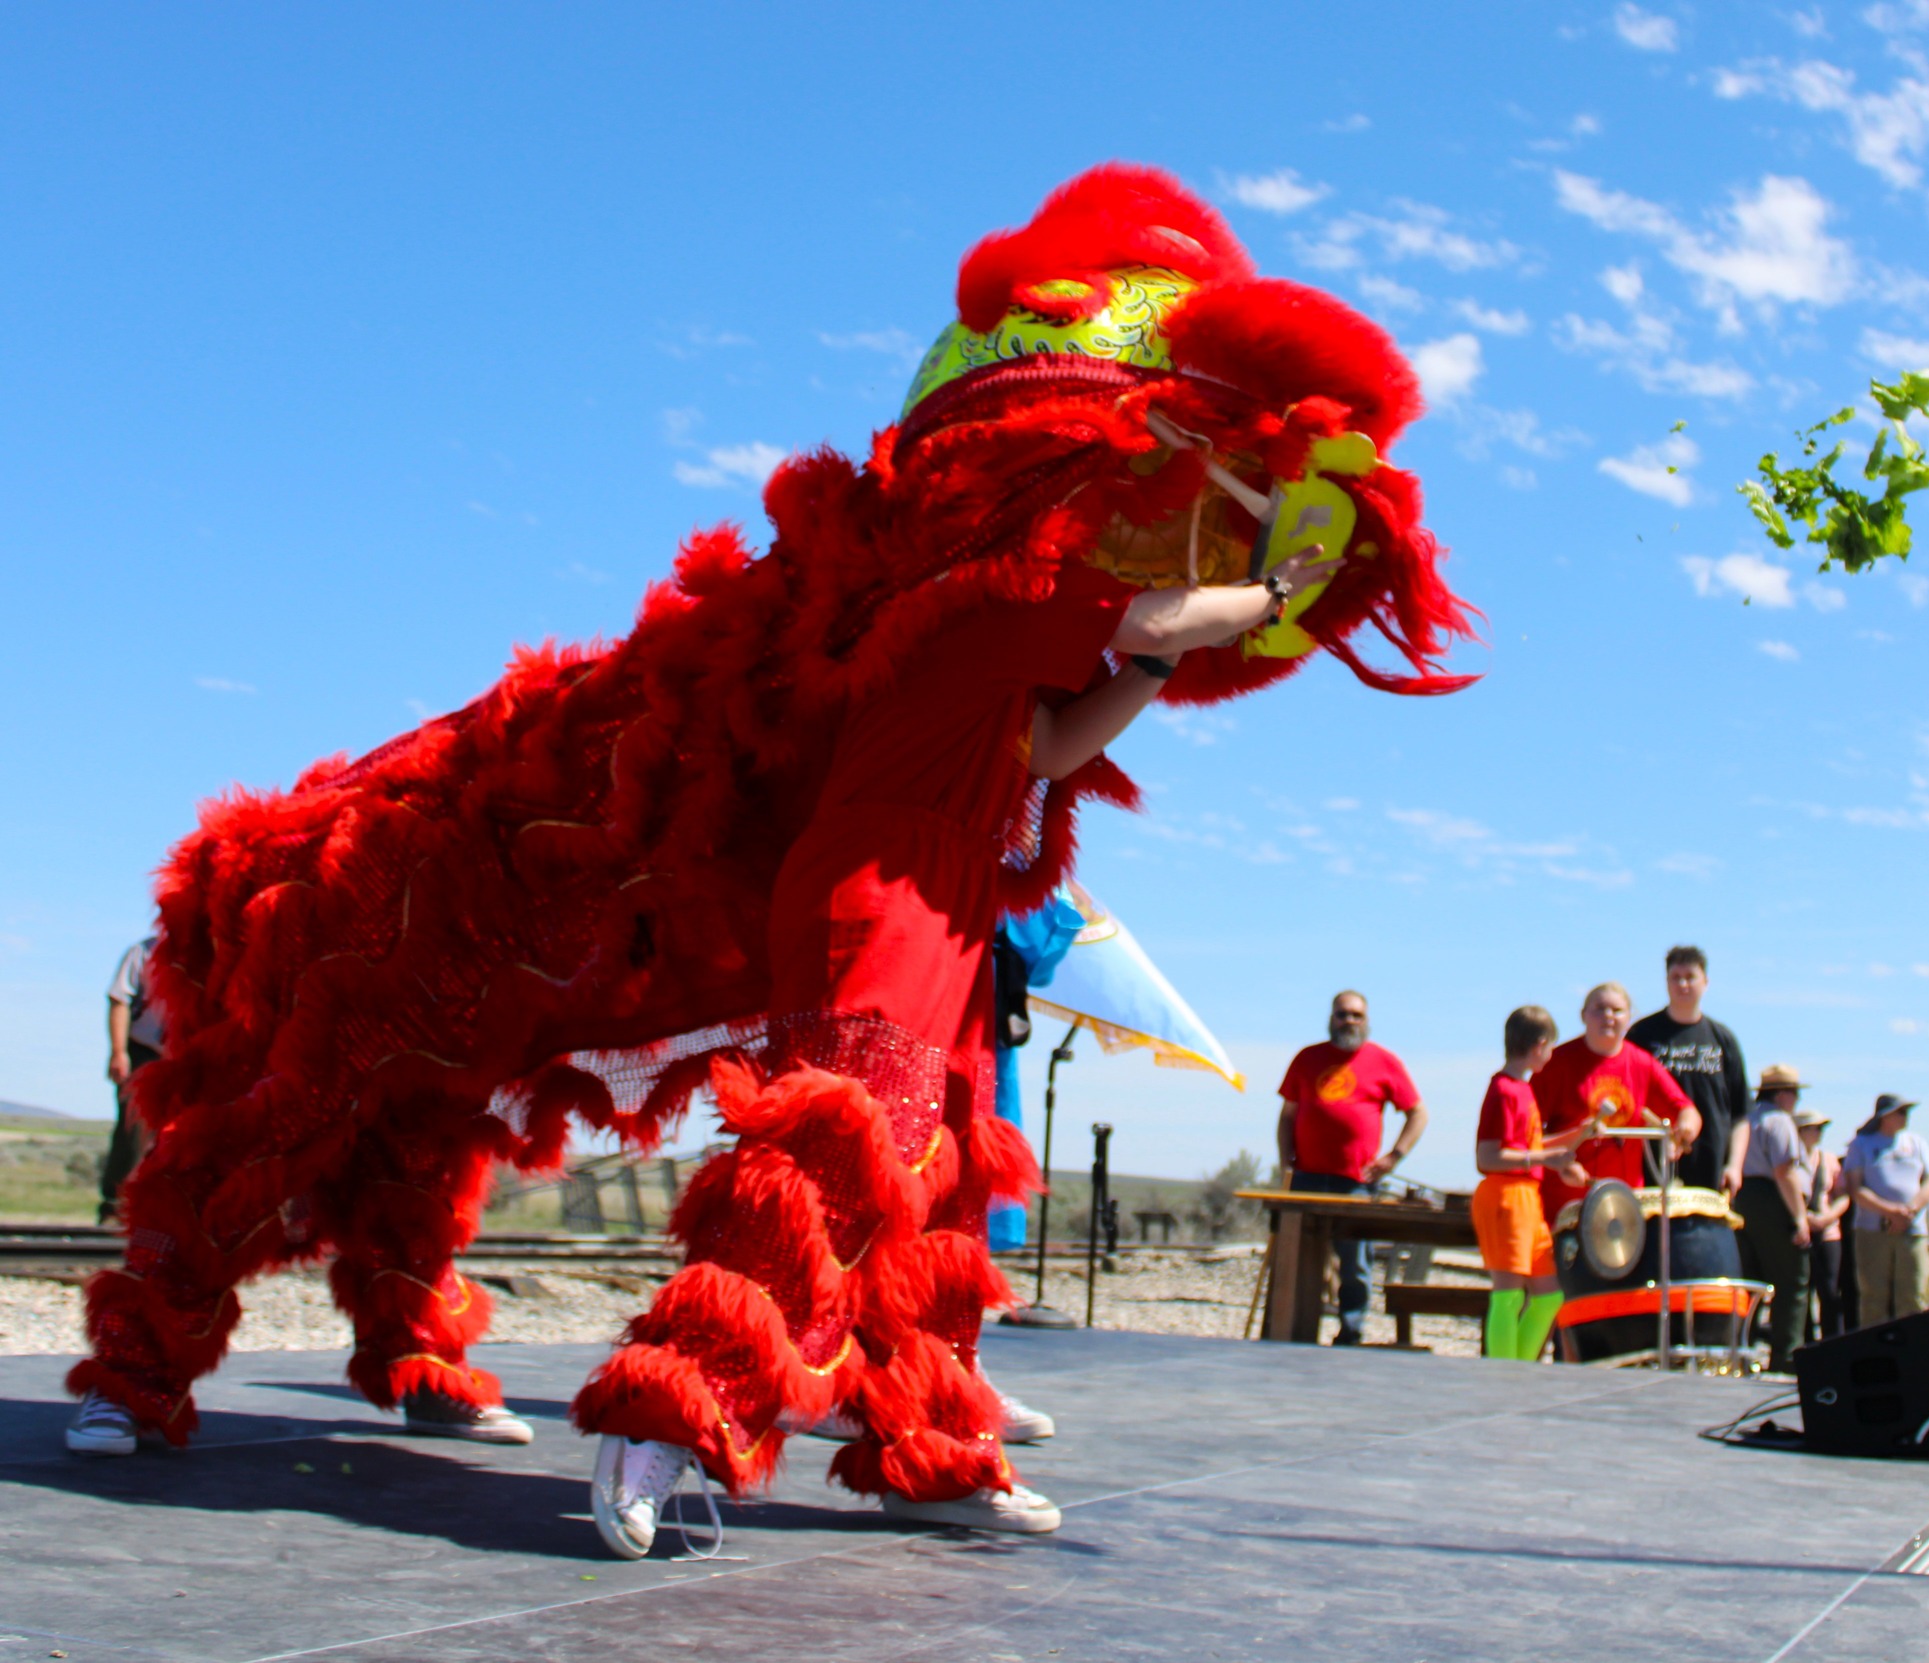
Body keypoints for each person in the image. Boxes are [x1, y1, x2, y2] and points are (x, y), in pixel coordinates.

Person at [53, 167, 1480, 1565]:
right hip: (880, 891)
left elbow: (1071, 730)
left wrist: (1174, 655)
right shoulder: (982, 592)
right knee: (839, 1148)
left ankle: (928, 1439)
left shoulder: (1019, 657)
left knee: (932, 1180)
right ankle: (660, 1416)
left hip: (948, 910)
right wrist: (1275, 588)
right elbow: (1155, 618)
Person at [1277, 990, 1427, 1346]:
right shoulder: (1307, 1058)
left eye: (1356, 1015)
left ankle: (1351, 1330)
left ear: (1367, 1020)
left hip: (1356, 1181)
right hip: (1307, 1178)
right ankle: (1294, 1328)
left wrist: (1393, 1157)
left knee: (1355, 1261)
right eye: (1342, 1014)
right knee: (1299, 1257)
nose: (1349, 1021)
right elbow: (1287, 1116)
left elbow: (1418, 1113)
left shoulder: (1384, 1062)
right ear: (1331, 1018)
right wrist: (1285, 1162)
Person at [1470, 1006, 1589, 1360]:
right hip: (1505, 1197)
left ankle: (1519, 1367)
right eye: (1550, 1047)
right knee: (1508, 1293)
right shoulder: (1503, 1090)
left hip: (1528, 1200)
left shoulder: (1522, 1089)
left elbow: (1529, 1147)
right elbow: (1487, 1157)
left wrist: (1575, 1136)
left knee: (1549, 1295)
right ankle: (1503, 1372)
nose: (1550, 1055)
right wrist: (1545, 1160)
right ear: (1539, 1045)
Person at [1533, 983, 1699, 1230]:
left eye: (1617, 1010)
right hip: (1565, 1207)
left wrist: (1685, 1128)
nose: (1608, 1016)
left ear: (1629, 1018)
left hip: (1623, 1208)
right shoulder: (1556, 1063)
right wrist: (1569, 1142)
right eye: (1599, 1009)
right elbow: (1526, 1138)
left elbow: (1686, 1110)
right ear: (1583, 1015)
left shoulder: (1642, 1063)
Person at [1627, 946, 1750, 1193]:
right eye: (1676, 978)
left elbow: (1740, 1114)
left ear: (1705, 982)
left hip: (1711, 1169)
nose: (1683, 984)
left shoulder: (1722, 1039)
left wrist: (1735, 1166)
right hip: (1654, 1166)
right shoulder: (1642, 1035)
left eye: (1690, 977)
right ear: (1666, 982)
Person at [1724, 1062, 1813, 1370]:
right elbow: (1784, 1171)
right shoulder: (1779, 1121)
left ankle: (1741, 1349)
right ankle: (1786, 1356)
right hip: (1773, 1200)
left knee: (1750, 1281)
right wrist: (1799, 1217)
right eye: (1795, 1093)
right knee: (1792, 1281)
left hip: (1742, 1200)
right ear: (1783, 1094)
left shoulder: (1744, 1119)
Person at [1843, 1095, 1929, 1327]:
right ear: (1884, 1116)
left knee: (1913, 1295)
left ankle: (1913, 1344)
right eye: (1900, 1112)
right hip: (1873, 1230)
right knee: (1873, 1296)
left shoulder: (1917, 1143)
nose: (1905, 1117)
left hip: (1912, 1229)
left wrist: (1909, 1211)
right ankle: (1874, 1345)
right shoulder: (1861, 1144)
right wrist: (1890, 1212)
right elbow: (1856, 1188)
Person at [99, 936, 163, 1225]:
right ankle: (115, 1208)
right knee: (133, 1128)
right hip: (143, 1051)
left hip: (189, 1053)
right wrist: (118, 1051)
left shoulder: (209, 952)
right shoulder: (143, 952)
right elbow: (119, 999)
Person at [1794, 1105, 1850, 1342]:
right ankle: (1805, 1343)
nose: (1819, 1133)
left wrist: (1829, 1217)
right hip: (1799, 1232)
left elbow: (1843, 1195)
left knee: (1829, 1291)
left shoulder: (1829, 1160)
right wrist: (1802, 1218)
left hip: (1828, 1233)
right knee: (1801, 1291)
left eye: (1821, 1128)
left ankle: (1833, 1342)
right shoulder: (1790, 1160)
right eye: (1814, 1128)